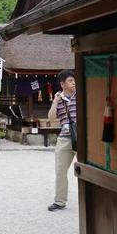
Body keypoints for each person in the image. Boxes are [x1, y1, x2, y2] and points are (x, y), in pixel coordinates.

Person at [47, 70, 76, 212]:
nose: (74, 83)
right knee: (60, 170)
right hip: (65, 138)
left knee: (90, 169)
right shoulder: (59, 99)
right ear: (62, 84)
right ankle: (60, 201)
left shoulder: (81, 96)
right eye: (70, 81)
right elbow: (51, 118)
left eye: (74, 80)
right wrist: (55, 102)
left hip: (82, 137)